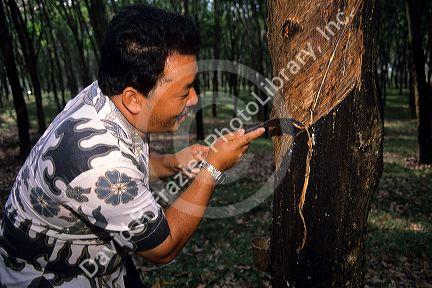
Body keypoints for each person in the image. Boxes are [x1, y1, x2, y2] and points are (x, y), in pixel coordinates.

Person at [0, 4, 264, 287]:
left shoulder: (107, 95)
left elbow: (129, 163)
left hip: (102, 261)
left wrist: (174, 162)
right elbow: (165, 247)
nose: (195, 99)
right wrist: (212, 169)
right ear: (134, 99)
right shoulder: (98, 164)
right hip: (58, 278)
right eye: (184, 91)